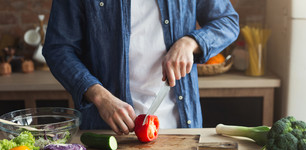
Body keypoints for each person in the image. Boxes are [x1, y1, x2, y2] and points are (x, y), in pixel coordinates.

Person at [43, 0, 239, 135]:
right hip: (107, 131)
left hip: (181, 128)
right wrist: (100, 97)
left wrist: (191, 42)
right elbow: (58, 49)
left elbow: (228, 21)